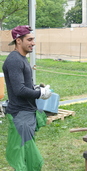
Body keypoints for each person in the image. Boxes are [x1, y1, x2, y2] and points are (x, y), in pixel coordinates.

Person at [2, 25, 52, 171]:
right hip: (20, 115)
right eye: (29, 39)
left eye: (33, 39)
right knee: (25, 157)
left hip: (26, 113)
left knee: (28, 156)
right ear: (18, 41)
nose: (33, 43)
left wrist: (36, 88)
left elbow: (23, 84)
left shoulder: (21, 59)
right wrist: (40, 94)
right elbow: (19, 90)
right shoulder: (14, 60)